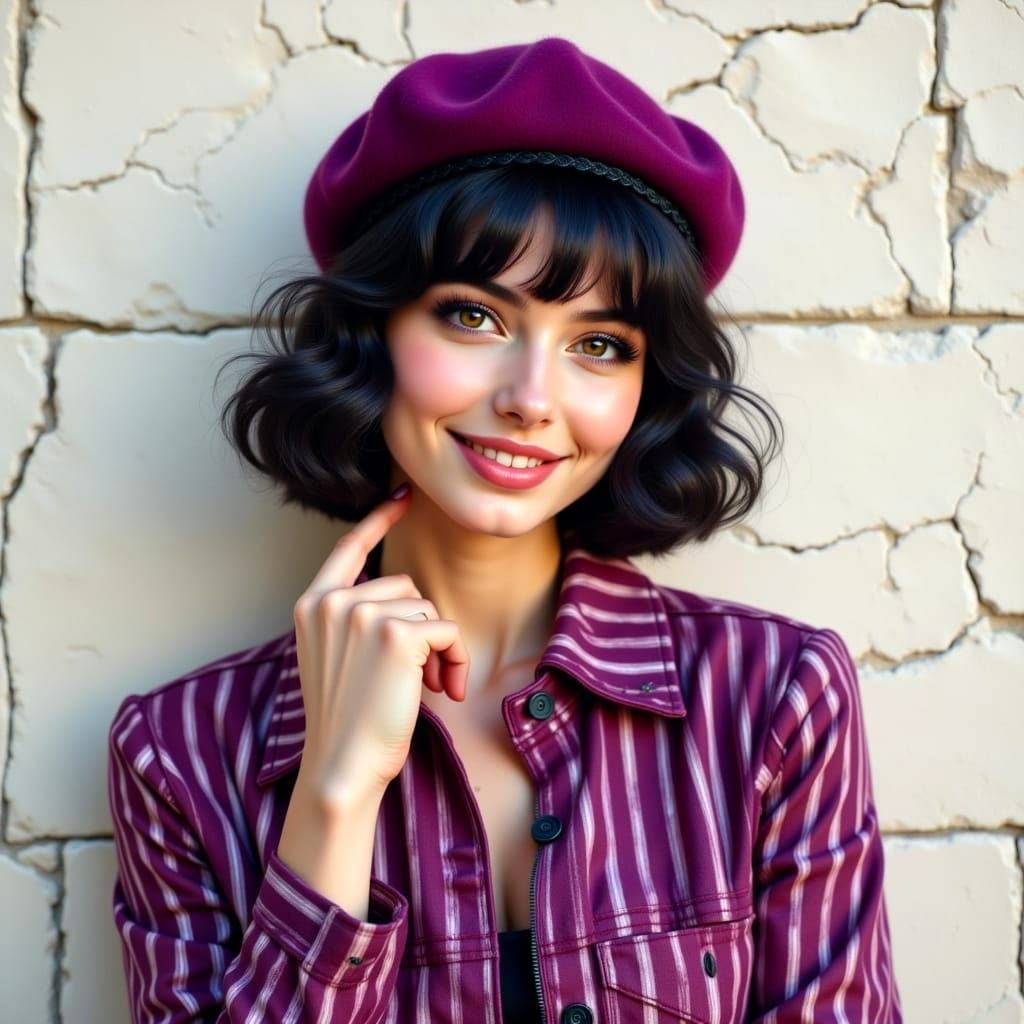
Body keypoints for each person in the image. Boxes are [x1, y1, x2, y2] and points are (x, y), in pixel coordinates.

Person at [107, 37, 902, 1023]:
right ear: (373, 332)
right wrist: (334, 796)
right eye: (474, 318)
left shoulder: (773, 699)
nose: (531, 398)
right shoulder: (179, 754)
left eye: (599, 344)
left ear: (644, 388)